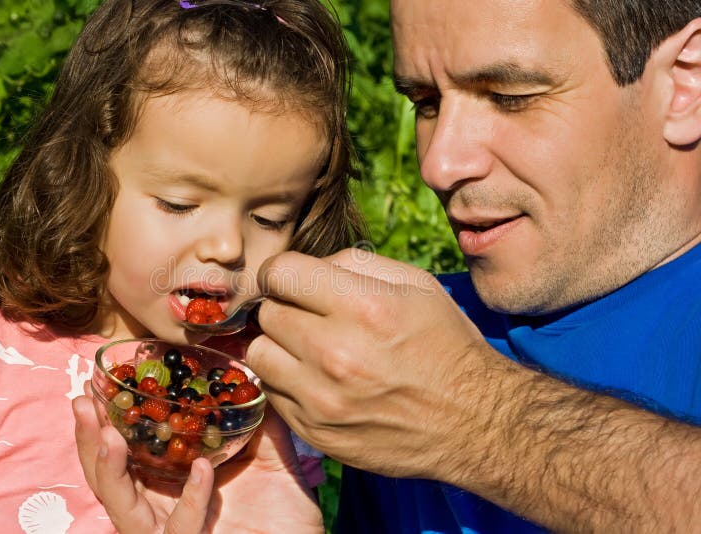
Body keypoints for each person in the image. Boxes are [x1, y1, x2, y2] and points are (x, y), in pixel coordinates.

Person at [0, 0, 365, 531]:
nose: (226, 246)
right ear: (85, 174)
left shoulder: (254, 398)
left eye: (268, 217)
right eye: (179, 204)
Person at [239, 0, 701, 532]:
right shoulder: (401, 345)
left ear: (684, 84)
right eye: (427, 102)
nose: (439, 165)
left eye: (509, 97)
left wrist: (473, 416)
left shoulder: (430, 372)